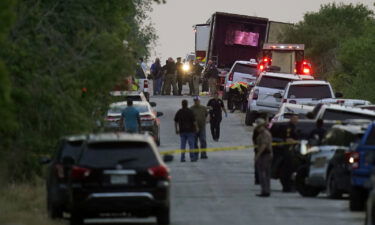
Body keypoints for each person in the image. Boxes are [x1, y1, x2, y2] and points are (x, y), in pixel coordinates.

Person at [279, 114, 299, 192]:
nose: (296, 120)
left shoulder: (294, 127)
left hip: (292, 151)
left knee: (290, 170)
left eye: (297, 119)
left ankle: (289, 186)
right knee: (288, 170)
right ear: (291, 118)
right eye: (294, 118)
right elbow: (288, 140)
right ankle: (287, 187)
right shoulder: (289, 127)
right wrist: (298, 142)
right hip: (288, 151)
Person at [254, 118, 273, 197]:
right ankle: (265, 190)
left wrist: (257, 155)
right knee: (265, 174)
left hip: (265, 155)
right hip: (265, 155)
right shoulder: (262, 134)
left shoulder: (265, 134)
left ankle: (265, 191)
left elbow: (264, 146)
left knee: (263, 174)